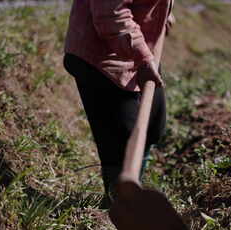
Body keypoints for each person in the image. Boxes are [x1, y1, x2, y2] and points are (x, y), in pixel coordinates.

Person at [63, 0, 174, 208]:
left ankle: (131, 189)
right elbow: (110, 14)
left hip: (137, 47)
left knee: (153, 126)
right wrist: (141, 59)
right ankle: (117, 205)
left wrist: (163, 13)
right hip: (101, 57)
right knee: (121, 141)